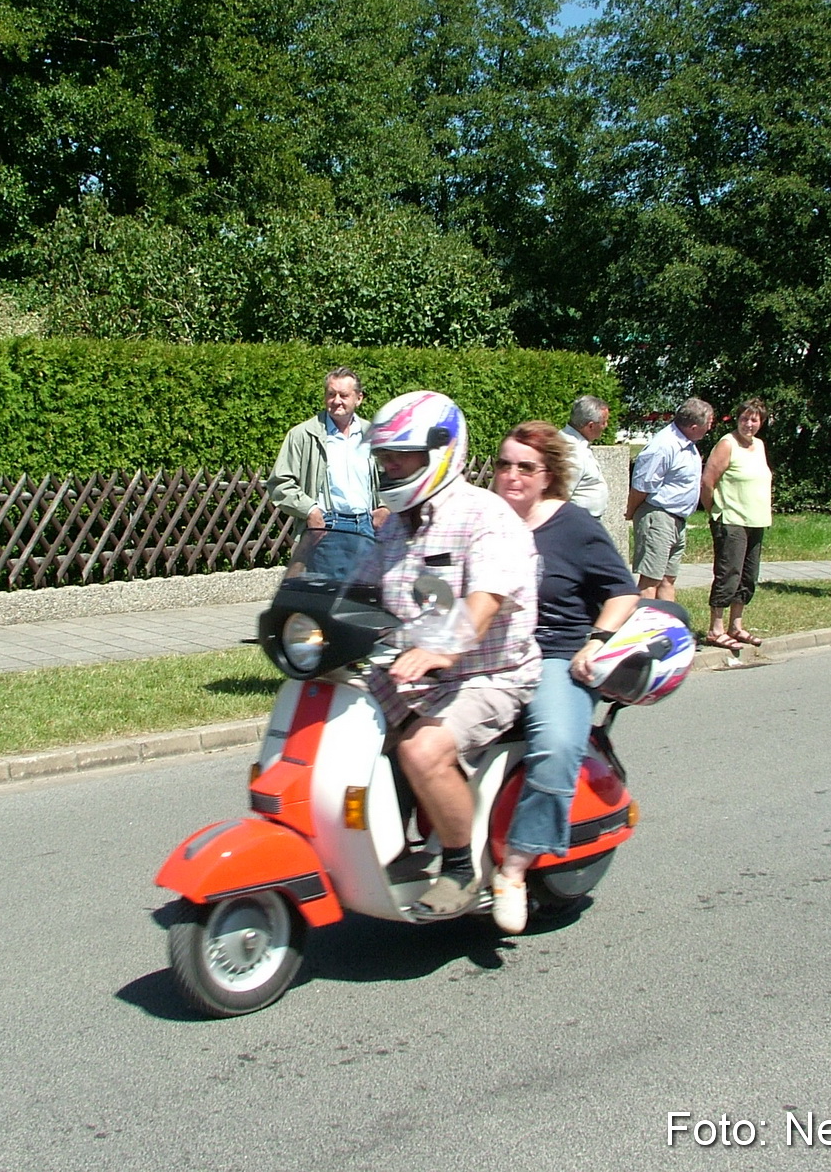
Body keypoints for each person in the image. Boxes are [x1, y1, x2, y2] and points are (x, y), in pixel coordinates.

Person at [358, 390, 541, 917]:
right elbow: (360, 589)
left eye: (402, 456)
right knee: (344, 723)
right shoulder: (397, 524)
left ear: (440, 452)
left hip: (490, 672)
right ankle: (391, 845)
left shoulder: (486, 516)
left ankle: (461, 868)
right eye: (385, 457)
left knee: (421, 750)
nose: (390, 466)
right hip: (417, 669)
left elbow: (484, 601)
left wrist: (439, 645)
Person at [491, 421, 640, 934]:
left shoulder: (573, 525)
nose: (511, 475)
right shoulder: (482, 521)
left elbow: (623, 592)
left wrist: (595, 642)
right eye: (503, 464)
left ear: (548, 474)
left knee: (555, 742)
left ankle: (513, 869)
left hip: (556, 655)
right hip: (488, 655)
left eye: (524, 467)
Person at [267, 367, 387, 579]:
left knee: (364, 597)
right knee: (331, 598)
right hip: (328, 527)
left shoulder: (373, 435)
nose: (336, 400)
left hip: (368, 527)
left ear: (359, 398)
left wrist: (386, 507)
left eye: (344, 395)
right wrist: (311, 511)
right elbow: (280, 483)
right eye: (331, 394)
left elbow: (392, 476)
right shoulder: (304, 435)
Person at [698, 398, 773, 650]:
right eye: (744, 419)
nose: (748, 424)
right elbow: (707, 482)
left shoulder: (759, 445)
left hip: (756, 519)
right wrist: (715, 512)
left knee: (748, 575)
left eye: (754, 420)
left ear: (761, 422)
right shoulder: (726, 444)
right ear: (737, 419)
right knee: (728, 573)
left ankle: (736, 625)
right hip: (731, 520)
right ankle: (715, 628)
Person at [623, 398, 714, 600]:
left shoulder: (688, 444)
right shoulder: (663, 446)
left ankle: (668, 629)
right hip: (658, 517)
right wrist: (631, 512)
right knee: (650, 581)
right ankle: (643, 630)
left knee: (668, 580)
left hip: (677, 520)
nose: (710, 428)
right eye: (708, 424)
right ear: (693, 427)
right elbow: (641, 486)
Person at [562, 396, 611, 517]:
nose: (606, 426)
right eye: (603, 422)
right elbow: (560, 495)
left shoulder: (578, 443)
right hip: (577, 522)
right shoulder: (572, 450)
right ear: (590, 426)